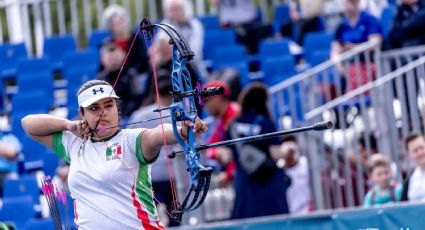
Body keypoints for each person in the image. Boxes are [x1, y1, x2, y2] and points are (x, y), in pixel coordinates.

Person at [21, 79, 207, 229]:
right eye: (94, 108)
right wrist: (68, 125)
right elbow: (28, 124)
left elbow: (157, 134)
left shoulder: (132, 140)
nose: (103, 113)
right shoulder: (74, 143)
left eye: (108, 105)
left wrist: (182, 131)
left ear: (117, 109)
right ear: (82, 113)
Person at [225, 82, 290, 219]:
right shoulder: (265, 122)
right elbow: (275, 153)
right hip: (267, 184)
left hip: (244, 184)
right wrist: (288, 149)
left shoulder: (233, 124)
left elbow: (227, 156)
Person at [204, 80, 240, 188]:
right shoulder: (222, 120)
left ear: (218, 97)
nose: (205, 106)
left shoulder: (235, 115)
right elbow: (209, 147)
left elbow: (241, 150)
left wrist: (229, 175)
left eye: (206, 101)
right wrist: (217, 152)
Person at [97, 41, 145, 118]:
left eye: (115, 58)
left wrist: (120, 114)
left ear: (122, 57)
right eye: (110, 59)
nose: (113, 61)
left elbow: (136, 98)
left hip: (129, 115)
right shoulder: (100, 78)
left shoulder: (131, 74)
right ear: (103, 60)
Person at [270, 135, 312, 214]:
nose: (290, 144)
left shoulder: (306, 165)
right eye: (285, 141)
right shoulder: (276, 169)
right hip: (286, 216)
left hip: (306, 213)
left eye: (292, 141)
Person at [102, 4, 149, 74]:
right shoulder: (108, 43)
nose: (118, 26)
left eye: (120, 22)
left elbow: (144, 63)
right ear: (110, 27)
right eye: (114, 24)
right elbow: (102, 69)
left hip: (134, 77)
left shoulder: (136, 39)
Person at [162, 0, 204, 67]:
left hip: (192, 68)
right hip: (169, 67)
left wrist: (170, 53)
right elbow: (159, 49)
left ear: (185, 9)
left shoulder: (195, 25)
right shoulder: (165, 25)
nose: (175, 12)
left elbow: (194, 53)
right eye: (172, 9)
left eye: (178, 8)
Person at [401, 133, 425, 202]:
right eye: (415, 150)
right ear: (409, 154)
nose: (420, 153)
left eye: (422, 148)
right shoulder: (409, 180)